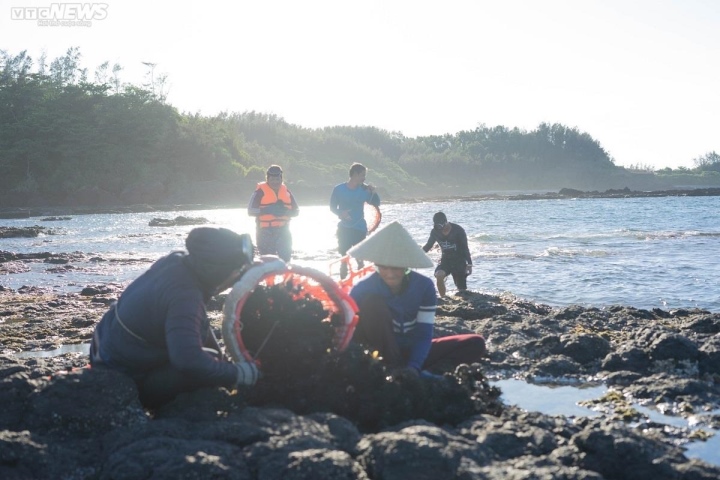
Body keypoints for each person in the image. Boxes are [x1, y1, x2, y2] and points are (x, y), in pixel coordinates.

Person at [89, 227, 260, 409]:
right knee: (206, 369)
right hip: (123, 379)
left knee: (214, 358)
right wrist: (240, 374)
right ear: (216, 271)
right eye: (236, 271)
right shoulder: (185, 296)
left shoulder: (178, 262)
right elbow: (188, 360)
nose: (236, 277)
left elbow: (197, 322)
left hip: (102, 351)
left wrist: (251, 269)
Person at [348, 221, 487, 378]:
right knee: (372, 304)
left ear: (407, 265)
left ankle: (416, 372)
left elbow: (423, 333)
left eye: (396, 267)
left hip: (411, 349)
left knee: (475, 343)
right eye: (383, 267)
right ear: (376, 265)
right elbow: (351, 332)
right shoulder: (362, 289)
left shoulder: (424, 287)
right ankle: (393, 368)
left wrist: (414, 366)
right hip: (378, 351)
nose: (390, 273)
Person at [329, 162, 380, 278]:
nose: (364, 178)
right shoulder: (338, 189)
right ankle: (343, 286)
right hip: (344, 228)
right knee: (343, 259)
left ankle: (361, 286)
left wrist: (373, 192)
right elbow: (332, 207)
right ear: (355, 175)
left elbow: (377, 203)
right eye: (362, 175)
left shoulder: (364, 190)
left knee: (360, 259)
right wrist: (340, 213)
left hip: (359, 228)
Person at [247, 165, 300, 262]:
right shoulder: (259, 192)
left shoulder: (287, 192)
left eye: (277, 179)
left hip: (284, 231)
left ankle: (286, 276)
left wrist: (286, 212)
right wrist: (268, 210)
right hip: (265, 232)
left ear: (281, 179)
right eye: (272, 179)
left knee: (285, 261)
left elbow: (296, 211)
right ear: (267, 179)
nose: (275, 182)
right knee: (268, 262)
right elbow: (250, 210)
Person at [422, 211, 473, 297]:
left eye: (441, 226)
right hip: (445, 260)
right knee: (439, 275)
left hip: (459, 261)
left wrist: (469, 263)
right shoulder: (435, 232)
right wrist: (417, 255)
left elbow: (465, 248)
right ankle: (443, 298)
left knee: (461, 290)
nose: (441, 229)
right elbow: (428, 246)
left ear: (446, 222)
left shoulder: (458, 230)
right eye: (437, 226)